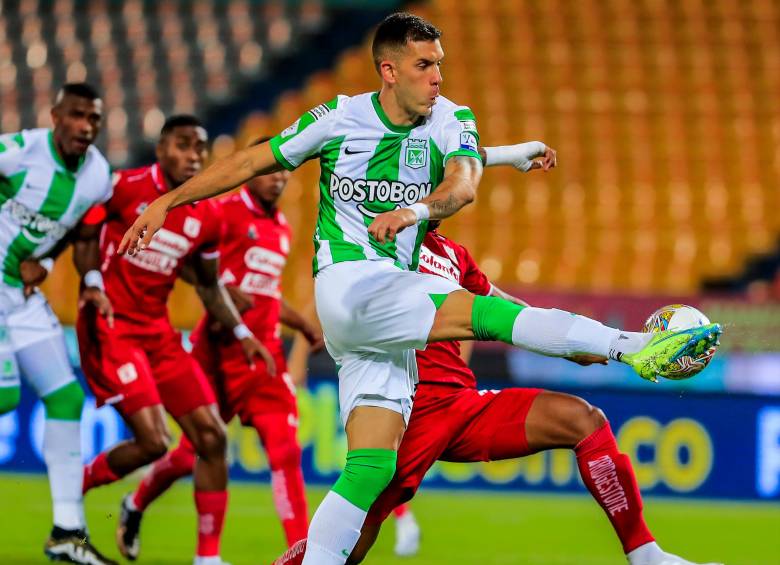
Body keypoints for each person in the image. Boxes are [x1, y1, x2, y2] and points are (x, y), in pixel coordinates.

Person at [117, 13, 722, 565]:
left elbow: (463, 181)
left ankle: (646, 554)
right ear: (389, 70)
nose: (437, 77)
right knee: (482, 317)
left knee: (369, 470)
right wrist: (167, 202)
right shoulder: (338, 119)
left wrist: (444, 193)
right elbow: (254, 161)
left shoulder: (450, 130)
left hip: (397, 355)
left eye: (440, 65)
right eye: (424, 66)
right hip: (353, 286)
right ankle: (634, 345)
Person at [272, 222, 723, 565]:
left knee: (585, 421)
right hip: (409, 408)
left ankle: (648, 557)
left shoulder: (453, 254)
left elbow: (502, 308)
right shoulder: (381, 245)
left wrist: (574, 346)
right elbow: (333, 294)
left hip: (463, 404)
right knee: (349, 541)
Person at [115, 138, 324, 559]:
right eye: (271, 170)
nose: (280, 177)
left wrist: (301, 323)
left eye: (286, 171)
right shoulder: (222, 211)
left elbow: (264, 293)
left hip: (263, 357)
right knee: (191, 453)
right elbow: (192, 270)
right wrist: (223, 289)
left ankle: (302, 555)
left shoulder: (281, 228)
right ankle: (136, 502)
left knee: (285, 450)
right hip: (216, 353)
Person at [77, 115, 272, 565]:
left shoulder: (206, 213)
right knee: (153, 442)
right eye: (184, 146)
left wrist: (243, 334)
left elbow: (208, 285)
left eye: (200, 149)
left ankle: (207, 559)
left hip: (158, 335)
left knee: (213, 437)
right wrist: (89, 282)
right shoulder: (121, 186)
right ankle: (72, 496)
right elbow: (82, 231)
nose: (194, 156)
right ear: (162, 147)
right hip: (113, 327)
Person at [0, 82, 117, 564]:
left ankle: (68, 532)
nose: (85, 127)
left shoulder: (97, 176)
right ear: (54, 116)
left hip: (21, 294)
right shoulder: (18, 151)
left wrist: (87, 277)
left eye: (94, 119)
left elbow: (84, 233)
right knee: (6, 395)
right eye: (76, 116)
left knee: (67, 398)